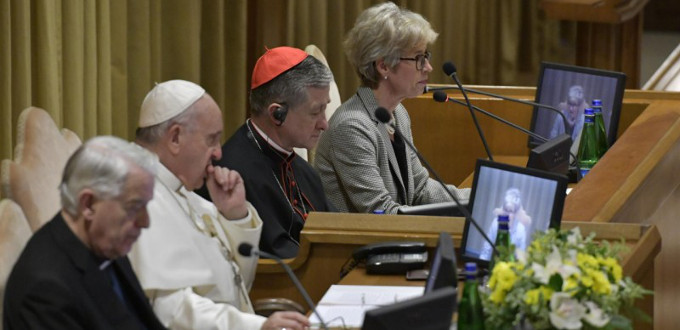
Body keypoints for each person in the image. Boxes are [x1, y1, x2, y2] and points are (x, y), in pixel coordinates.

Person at [129, 80, 309, 330]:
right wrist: (257, 327)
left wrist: (235, 216)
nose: (218, 153)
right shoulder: (137, 198)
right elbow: (170, 312)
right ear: (175, 138)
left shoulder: (181, 191)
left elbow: (237, 287)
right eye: (211, 140)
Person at [314, 2, 470, 214]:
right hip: (360, 245)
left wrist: (478, 196)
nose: (428, 67)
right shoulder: (351, 127)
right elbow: (382, 213)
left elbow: (420, 189)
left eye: (426, 56)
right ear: (383, 65)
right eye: (418, 58)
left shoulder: (398, 114)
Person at [3, 136, 166, 329]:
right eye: (134, 207)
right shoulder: (45, 290)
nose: (145, 222)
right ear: (88, 204)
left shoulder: (104, 243)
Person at [197, 47, 336, 258]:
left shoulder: (304, 171)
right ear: (276, 114)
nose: (324, 124)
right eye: (316, 112)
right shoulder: (233, 174)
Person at [479, 188, 531, 260]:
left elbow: (521, 257)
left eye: (511, 211)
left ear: (516, 213)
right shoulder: (496, 223)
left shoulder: (521, 229)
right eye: (506, 210)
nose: (508, 214)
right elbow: (486, 249)